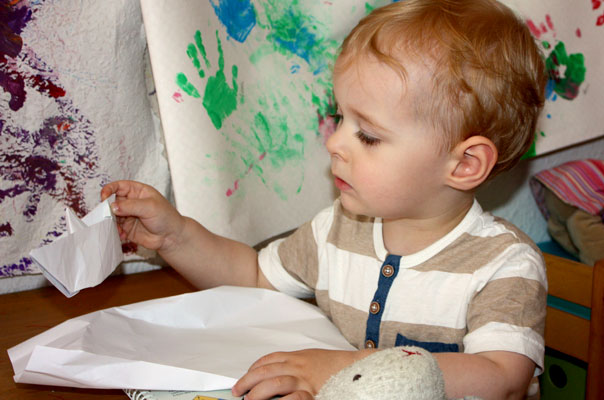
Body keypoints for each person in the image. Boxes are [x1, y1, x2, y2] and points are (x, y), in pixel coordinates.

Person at [101, 0, 547, 398]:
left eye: (368, 135)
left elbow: (500, 377)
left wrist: (341, 369)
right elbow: (254, 277)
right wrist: (176, 236)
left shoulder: (505, 265)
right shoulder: (338, 229)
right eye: (340, 117)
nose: (335, 143)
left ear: (465, 164)